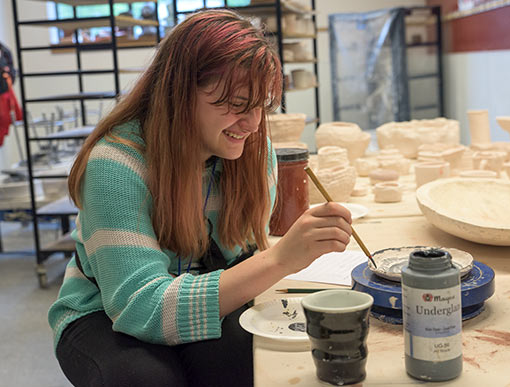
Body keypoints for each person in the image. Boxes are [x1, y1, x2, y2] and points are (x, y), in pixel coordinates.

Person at [48, 9, 352, 387]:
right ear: (178, 93)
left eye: (261, 106)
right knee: (145, 379)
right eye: (236, 104)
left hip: (199, 286)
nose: (252, 124)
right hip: (105, 312)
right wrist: (280, 259)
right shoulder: (116, 165)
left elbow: (238, 260)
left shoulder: (254, 154)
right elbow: (139, 306)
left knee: (252, 356)